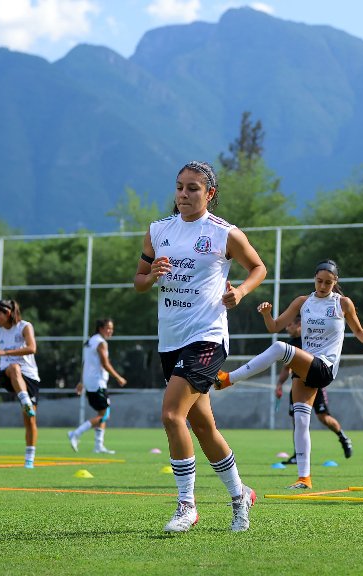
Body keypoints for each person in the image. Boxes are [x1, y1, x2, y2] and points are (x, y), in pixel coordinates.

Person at [134, 160, 266, 532]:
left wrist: (239, 291)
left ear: (209, 194)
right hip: (170, 341)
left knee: (171, 415)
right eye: (179, 187)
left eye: (193, 188)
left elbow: (258, 267)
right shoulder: (158, 231)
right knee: (204, 427)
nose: (183, 194)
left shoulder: (224, 233)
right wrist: (150, 276)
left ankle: (186, 506)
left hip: (207, 338)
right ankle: (241, 495)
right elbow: (139, 280)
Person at [215, 259, 363, 491]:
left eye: (328, 282)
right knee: (301, 420)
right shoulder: (303, 302)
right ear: (314, 279)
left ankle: (228, 379)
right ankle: (304, 478)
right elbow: (274, 327)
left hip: (324, 367)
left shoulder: (342, 303)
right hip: (305, 367)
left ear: (335, 282)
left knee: (280, 349)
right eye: (319, 281)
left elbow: (358, 330)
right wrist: (267, 314)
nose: (323, 286)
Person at [275, 314, 353, 464]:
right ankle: (299, 455)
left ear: (299, 325)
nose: (286, 328)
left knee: (323, 417)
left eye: (289, 324)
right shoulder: (291, 343)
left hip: (315, 383)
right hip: (297, 383)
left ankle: (343, 437)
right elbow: (287, 368)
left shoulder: (310, 339)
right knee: (297, 420)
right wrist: (279, 384)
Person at [0, 298, 40, 469]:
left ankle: (29, 459)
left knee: (30, 421)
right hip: (8, 374)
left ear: (8, 313)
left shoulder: (24, 326)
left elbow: (32, 348)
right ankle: (25, 400)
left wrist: (5, 351)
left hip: (29, 376)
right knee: (13, 367)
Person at [68, 318, 127, 454]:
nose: (110, 331)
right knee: (104, 414)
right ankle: (76, 433)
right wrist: (118, 377)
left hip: (90, 382)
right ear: (100, 328)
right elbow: (105, 364)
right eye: (108, 328)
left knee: (102, 412)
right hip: (97, 382)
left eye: (112, 328)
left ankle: (98, 446)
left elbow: (85, 363)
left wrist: (81, 381)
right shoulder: (101, 343)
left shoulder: (90, 341)